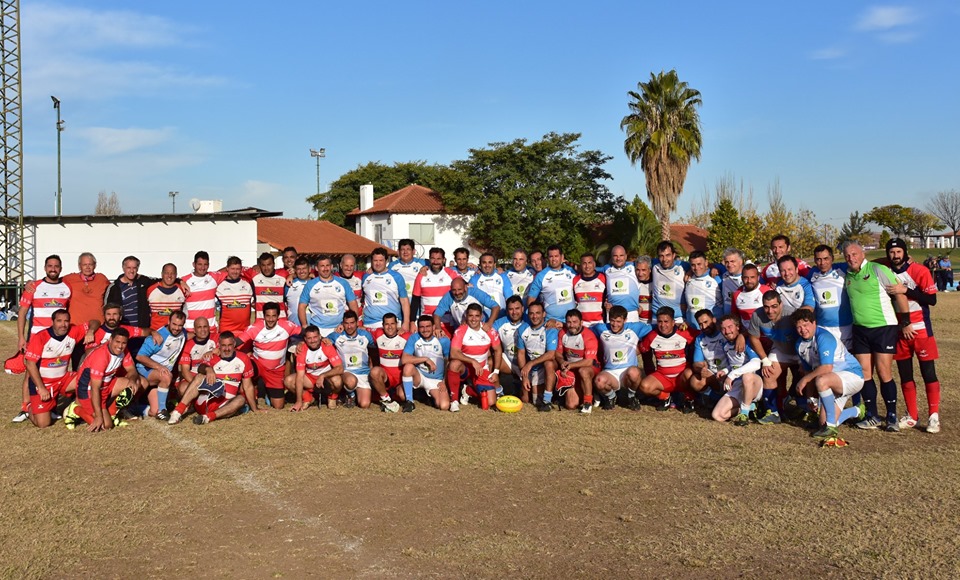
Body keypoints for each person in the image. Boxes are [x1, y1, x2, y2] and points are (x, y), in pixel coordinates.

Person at [843, 241, 910, 432]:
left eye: (854, 254)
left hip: (883, 328)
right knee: (865, 373)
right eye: (847, 255)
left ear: (862, 254)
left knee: (884, 373)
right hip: (860, 330)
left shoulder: (877, 269)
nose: (851, 258)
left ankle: (891, 417)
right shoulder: (848, 274)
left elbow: (900, 295)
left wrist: (905, 322)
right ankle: (871, 415)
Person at [881, 238, 942, 433]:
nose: (895, 256)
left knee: (928, 373)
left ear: (906, 253)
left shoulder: (919, 271)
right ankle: (912, 416)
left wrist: (906, 289)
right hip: (899, 330)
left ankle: (934, 416)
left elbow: (931, 299)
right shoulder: (884, 269)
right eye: (892, 252)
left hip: (921, 329)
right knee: (905, 375)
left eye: (899, 252)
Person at [792, 309, 864, 444]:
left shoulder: (823, 337)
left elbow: (826, 368)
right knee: (823, 422)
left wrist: (804, 380)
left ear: (814, 323)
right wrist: (810, 399)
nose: (803, 329)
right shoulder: (799, 345)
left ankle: (830, 428)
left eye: (806, 325)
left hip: (852, 377)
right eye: (799, 327)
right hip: (832, 382)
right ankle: (856, 410)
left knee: (821, 379)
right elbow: (809, 373)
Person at [13, 255, 71, 422]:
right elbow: (22, 313)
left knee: (55, 372)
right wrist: (21, 338)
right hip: (37, 338)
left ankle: (50, 406)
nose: (53, 269)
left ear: (61, 268)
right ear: (45, 268)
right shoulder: (33, 287)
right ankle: (25, 408)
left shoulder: (67, 287)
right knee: (31, 373)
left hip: (58, 338)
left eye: (56, 266)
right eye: (50, 266)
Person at [168, 331, 262, 425]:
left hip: (225, 405)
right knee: (200, 376)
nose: (227, 349)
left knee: (241, 400)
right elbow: (201, 367)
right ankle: (178, 411)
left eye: (229, 345)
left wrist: (255, 409)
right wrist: (208, 369)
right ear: (219, 345)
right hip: (204, 401)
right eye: (223, 345)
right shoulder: (212, 357)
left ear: (234, 344)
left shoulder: (244, 359)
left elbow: (248, 386)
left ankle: (208, 417)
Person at [61, 329, 139, 431]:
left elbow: (132, 370)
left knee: (136, 383)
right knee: (105, 426)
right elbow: (95, 388)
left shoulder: (124, 351)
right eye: (117, 342)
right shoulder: (101, 356)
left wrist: (132, 380)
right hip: (87, 390)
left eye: (124, 343)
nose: (120, 346)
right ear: (110, 340)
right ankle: (75, 409)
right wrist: (98, 417)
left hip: (106, 385)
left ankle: (111, 413)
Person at [23, 309, 87, 428]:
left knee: (88, 381)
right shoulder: (40, 337)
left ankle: (75, 408)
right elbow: (30, 364)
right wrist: (41, 388)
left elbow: (94, 322)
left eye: (66, 321)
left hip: (63, 380)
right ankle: (29, 407)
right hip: (44, 384)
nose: (63, 324)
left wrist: (91, 331)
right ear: (52, 322)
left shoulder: (73, 332)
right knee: (43, 423)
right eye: (59, 321)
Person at [327, 310, 401, 412]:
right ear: (342, 324)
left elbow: (377, 344)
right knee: (351, 381)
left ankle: (353, 394)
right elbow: (321, 342)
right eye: (346, 323)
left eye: (352, 323)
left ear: (357, 323)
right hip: (347, 373)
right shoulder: (336, 336)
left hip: (363, 374)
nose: (349, 326)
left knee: (364, 404)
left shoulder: (365, 335)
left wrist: (399, 331)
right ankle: (349, 395)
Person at [746, 291, 800, 425]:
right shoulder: (757, 315)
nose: (770, 311)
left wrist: (804, 359)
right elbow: (754, 338)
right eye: (766, 306)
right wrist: (765, 360)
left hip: (799, 350)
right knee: (768, 374)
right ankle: (773, 412)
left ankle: (807, 409)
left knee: (805, 375)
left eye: (774, 306)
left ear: (781, 304)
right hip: (780, 349)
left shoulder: (792, 314)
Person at [237, 303, 302, 410]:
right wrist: (219, 349)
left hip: (276, 370)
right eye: (268, 316)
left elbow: (306, 333)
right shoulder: (255, 328)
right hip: (258, 363)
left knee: (278, 406)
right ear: (263, 316)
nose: (271, 319)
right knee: (246, 368)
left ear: (278, 316)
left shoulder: (287, 325)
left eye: (273, 316)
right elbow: (237, 342)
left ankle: (268, 391)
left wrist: (304, 342)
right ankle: (251, 393)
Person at [590, 305, 653, 410]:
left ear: (625, 320)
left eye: (619, 321)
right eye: (612, 321)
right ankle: (611, 397)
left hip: (628, 373)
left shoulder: (635, 328)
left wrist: (678, 326)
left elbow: (656, 328)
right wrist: (560, 325)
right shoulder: (601, 329)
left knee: (634, 372)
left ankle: (632, 396)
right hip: (610, 373)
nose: (615, 324)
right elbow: (583, 331)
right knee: (599, 381)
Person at [708, 315, 763, 427]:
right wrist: (725, 371)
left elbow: (756, 363)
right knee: (717, 415)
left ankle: (744, 414)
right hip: (737, 386)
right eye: (723, 328)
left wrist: (732, 375)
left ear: (738, 327)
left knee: (747, 376)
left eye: (730, 326)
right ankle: (749, 408)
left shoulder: (747, 341)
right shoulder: (725, 344)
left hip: (753, 384)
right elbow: (733, 365)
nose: (727, 331)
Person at [637, 307, 695, 412]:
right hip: (663, 377)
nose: (663, 325)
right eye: (660, 321)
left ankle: (688, 399)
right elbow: (641, 350)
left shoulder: (684, 332)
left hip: (682, 377)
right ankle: (665, 397)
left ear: (673, 322)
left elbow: (702, 338)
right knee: (645, 386)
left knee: (690, 374)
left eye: (666, 321)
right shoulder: (652, 336)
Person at [446, 303, 502, 411]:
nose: (473, 319)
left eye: (476, 316)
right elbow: (454, 353)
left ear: (481, 317)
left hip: (481, 369)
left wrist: (496, 371)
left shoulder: (489, 330)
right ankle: (454, 401)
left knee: (490, 402)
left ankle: (467, 390)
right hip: (465, 368)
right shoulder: (461, 330)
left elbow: (498, 350)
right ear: (466, 316)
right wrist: (472, 361)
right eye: (471, 315)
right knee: (454, 364)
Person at [135, 310, 188, 420]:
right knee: (166, 375)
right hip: (146, 371)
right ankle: (163, 410)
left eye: (180, 325)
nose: (176, 328)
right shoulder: (158, 337)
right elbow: (140, 357)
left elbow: (193, 335)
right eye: (174, 324)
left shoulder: (183, 333)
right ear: (168, 321)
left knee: (153, 411)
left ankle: (134, 408)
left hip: (161, 379)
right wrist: (159, 367)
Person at [284, 325, 343, 411]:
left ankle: (332, 397)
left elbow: (340, 368)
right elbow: (300, 377)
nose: (312, 341)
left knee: (337, 380)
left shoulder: (327, 346)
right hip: (310, 378)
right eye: (309, 338)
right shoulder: (301, 350)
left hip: (327, 378)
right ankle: (308, 398)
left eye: (315, 337)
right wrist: (298, 401)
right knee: (288, 381)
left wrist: (323, 375)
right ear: (305, 339)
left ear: (320, 336)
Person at [399, 315, 452, 412]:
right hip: (420, 377)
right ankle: (409, 402)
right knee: (408, 368)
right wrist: (425, 359)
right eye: (422, 327)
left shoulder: (443, 340)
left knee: (444, 406)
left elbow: (448, 362)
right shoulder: (414, 338)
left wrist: (444, 382)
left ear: (434, 327)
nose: (425, 329)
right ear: (418, 328)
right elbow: (404, 359)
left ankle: (425, 395)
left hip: (436, 380)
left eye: (428, 326)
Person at [298, 255, 359, 337]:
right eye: (322, 266)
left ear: (331, 266)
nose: (325, 269)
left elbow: (353, 303)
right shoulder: (310, 285)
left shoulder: (343, 283)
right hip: (318, 329)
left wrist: (351, 324)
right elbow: (302, 306)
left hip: (340, 328)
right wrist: (304, 325)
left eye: (327, 265)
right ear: (316, 268)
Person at [516, 301, 559, 411]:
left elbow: (551, 354)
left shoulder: (550, 329)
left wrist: (530, 363)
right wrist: (524, 376)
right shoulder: (522, 329)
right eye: (531, 313)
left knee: (548, 363)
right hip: (531, 369)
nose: (534, 316)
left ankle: (547, 400)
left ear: (544, 314)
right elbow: (520, 353)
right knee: (526, 400)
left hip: (544, 366)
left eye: (538, 313)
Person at [808, 245, 853, 349]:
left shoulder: (842, 269)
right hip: (823, 329)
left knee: (848, 362)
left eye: (826, 259)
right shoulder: (811, 275)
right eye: (818, 259)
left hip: (845, 329)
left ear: (832, 258)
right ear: (814, 260)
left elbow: (862, 264)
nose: (822, 263)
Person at [556, 308, 600, 413]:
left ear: (581, 322)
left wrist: (570, 365)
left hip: (590, 367)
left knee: (583, 371)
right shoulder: (563, 333)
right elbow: (557, 353)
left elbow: (589, 361)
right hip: (572, 368)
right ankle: (589, 391)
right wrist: (562, 362)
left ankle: (588, 403)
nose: (571, 325)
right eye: (569, 322)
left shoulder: (588, 336)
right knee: (571, 405)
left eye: (575, 322)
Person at [105, 255, 161, 336]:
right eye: (128, 267)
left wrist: (180, 281)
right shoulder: (114, 288)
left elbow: (163, 280)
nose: (131, 271)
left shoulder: (143, 281)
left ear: (137, 269)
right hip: (123, 332)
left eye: (134, 268)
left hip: (142, 331)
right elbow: (107, 310)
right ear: (123, 268)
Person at [684, 309, 728, 405]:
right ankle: (711, 396)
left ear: (714, 320)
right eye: (700, 324)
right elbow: (696, 363)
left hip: (728, 372)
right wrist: (701, 369)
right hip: (712, 374)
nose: (703, 327)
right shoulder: (699, 339)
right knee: (695, 381)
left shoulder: (725, 333)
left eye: (706, 322)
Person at [362, 247, 411, 332]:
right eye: (375, 260)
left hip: (392, 323)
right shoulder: (366, 276)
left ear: (386, 261)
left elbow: (404, 301)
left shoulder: (396, 277)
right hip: (370, 323)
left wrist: (406, 323)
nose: (378, 263)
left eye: (381, 260)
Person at [182, 251, 229, 334]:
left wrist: (255, 267)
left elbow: (231, 268)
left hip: (210, 328)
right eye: (200, 264)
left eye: (205, 264)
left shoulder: (214, 277)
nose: (203, 267)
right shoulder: (185, 280)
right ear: (194, 264)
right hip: (191, 329)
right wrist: (179, 281)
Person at [527, 245, 576, 323]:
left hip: (572, 321)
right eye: (551, 256)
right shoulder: (541, 276)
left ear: (562, 257)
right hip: (552, 322)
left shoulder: (571, 271)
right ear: (547, 258)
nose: (553, 259)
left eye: (556, 256)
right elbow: (531, 300)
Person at [369, 313, 409, 409]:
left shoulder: (407, 336)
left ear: (397, 324)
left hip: (401, 378)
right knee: (374, 372)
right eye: (387, 324)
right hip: (387, 377)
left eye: (392, 324)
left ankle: (395, 393)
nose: (390, 327)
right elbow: (360, 329)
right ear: (383, 325)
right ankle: (386, 399)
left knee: (402, 396)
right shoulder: (378, 333)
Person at [433, 278, 500, 335]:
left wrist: (489, 324)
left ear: (465, 287)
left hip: (481, 328)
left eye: (459, 289)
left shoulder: (476, 293)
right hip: (462, 330)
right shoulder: (449, 296)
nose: (457, 293)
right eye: (454, 290)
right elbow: (437, 314)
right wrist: (438, 328)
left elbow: (496, 307)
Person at [176, 316, 218, 402]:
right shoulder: (188, 345)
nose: (203, 330)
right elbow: (185, 371)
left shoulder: (217, 338)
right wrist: (197, 385)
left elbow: (229, 349)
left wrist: (215, 351)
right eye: (199, 327)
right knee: (183, 388)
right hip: (193, 376)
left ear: (209, 328)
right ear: (194, 330)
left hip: (213, 374)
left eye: (205, 326)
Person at [62, 252, 110, 326]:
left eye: (90, 264)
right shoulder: (69, 279)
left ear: (95, 265)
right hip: (76, 326)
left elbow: (114, 291)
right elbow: (54, 284)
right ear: (79, 266)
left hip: (98, 326)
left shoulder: (101, 279)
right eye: (84, 264)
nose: (87, 267)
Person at [411, 247, 458, 320]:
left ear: (444, 260)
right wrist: (412, 321)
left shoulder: (451, 274)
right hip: (427, 322)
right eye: (433, 258)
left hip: (447, 321)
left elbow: (465, 287)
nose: (435, 262)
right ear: (429, 259)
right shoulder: (421, 275)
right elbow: (415, 300)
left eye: (439, 259)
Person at [493, 295, 528, 395]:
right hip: (508, 362)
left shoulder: (529, 321)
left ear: (522, 308)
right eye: (511, 309)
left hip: (526, 365)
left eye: (517, 308)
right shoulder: (500, 323)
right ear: (507, 311)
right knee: (490, 362)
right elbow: (485, 333)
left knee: (526, 399)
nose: (514, 312)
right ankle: (498, 392)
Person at [681, 251, 722, 332]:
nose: (696, 268)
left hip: (710, 330)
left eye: (699, 264)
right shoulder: (688, 279)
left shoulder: (716, 279)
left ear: (706, 263)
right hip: (691, 330)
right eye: (693, 265)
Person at [598, 246, 639, 322]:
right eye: (615, 256)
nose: (618, 258)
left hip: (631, 314)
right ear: (611, 257)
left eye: (621, 255)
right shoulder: (606, 269)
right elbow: (589, 269)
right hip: (613, 313)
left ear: (626, 256)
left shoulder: (634, 266)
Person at [216, 256, 255, 335]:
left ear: (241, 269)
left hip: (245, 331)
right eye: (232, 269)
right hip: (226, 330)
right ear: (227, 269)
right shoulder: (219, 285)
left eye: (237, 269)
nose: (235, 272)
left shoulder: (248, 283)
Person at [650, 241, 687, 323]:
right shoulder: (654, 265)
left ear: (673, 255)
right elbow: (633, 263)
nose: (664, 259)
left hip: (677, 318)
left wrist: (716, 268)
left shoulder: (683, 266)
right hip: (657, 318)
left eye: (668, 255)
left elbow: (702, 267)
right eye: (661, 256)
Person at [145, 263, 186, 331]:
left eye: (172, 273)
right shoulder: (151, 290)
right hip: (156, 332)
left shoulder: (182, 290)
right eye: (166, 273)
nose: (169, 276)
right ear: (162, 274)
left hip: (175, 332)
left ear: (176, 275)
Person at [470, 252, 512, 318]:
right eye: (484, 262)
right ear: (480, 264)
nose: (487, 265)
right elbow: (471, 300)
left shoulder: (502, 276)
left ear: (494, 264)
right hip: (483, 318)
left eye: (490, 262)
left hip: (501, 316)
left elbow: (509, 298)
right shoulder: (474, 278)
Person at [731, 264, 772, 328]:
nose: (749, 281)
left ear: (758, 277)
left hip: (765, 333)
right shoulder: (736, 295)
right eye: (746, 277)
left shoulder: (767, 291)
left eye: (752, 277)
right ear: (742, 278)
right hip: (746, 334)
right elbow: (735, 317)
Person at [251, 252, 288, 319]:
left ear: (274, 264)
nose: (266, 268)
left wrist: (292, 275)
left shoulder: (284, 274)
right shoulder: (254, 274)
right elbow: (234, 268)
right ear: (259, 265)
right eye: (263, 265)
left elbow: (301, 271)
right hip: (261, 320)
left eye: (269, 264)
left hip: (281, 319)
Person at [573, 253, 606, 327]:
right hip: (582, 324)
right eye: (584, 263)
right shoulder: (575, 280)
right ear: (580, 265)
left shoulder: (603, 278)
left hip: (600, 323)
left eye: (589, 263)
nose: (587, 266)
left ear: (594, 264)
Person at [285, 257, 314, 326]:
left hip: (313, 330)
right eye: (298, 269)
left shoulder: (316, 284)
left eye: (304, 268)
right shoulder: (289, 284)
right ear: (295, 270)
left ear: (309, 269)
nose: (301, 271)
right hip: (294, 328)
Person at [337, 254, 364, 321]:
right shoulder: (334, 278)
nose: (349, 268)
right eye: (346, 265)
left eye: (351, 266)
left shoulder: (361, 276)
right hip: (341, 319)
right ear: (341, 265)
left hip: (358, 318)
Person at [720, 248, 745, 315]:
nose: (729, 264)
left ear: (740, 262)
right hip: (728, 318)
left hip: (743, 317)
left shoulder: (749, 276)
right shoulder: (723, 275)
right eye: (727, 262)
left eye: (732, 261)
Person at [634, 256, 653, 324]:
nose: (640, 273)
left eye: (643, 270)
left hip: (655, 324)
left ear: (650, 270)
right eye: (638, 270)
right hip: (639, 324)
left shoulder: (656, 284)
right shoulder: (633, 285)